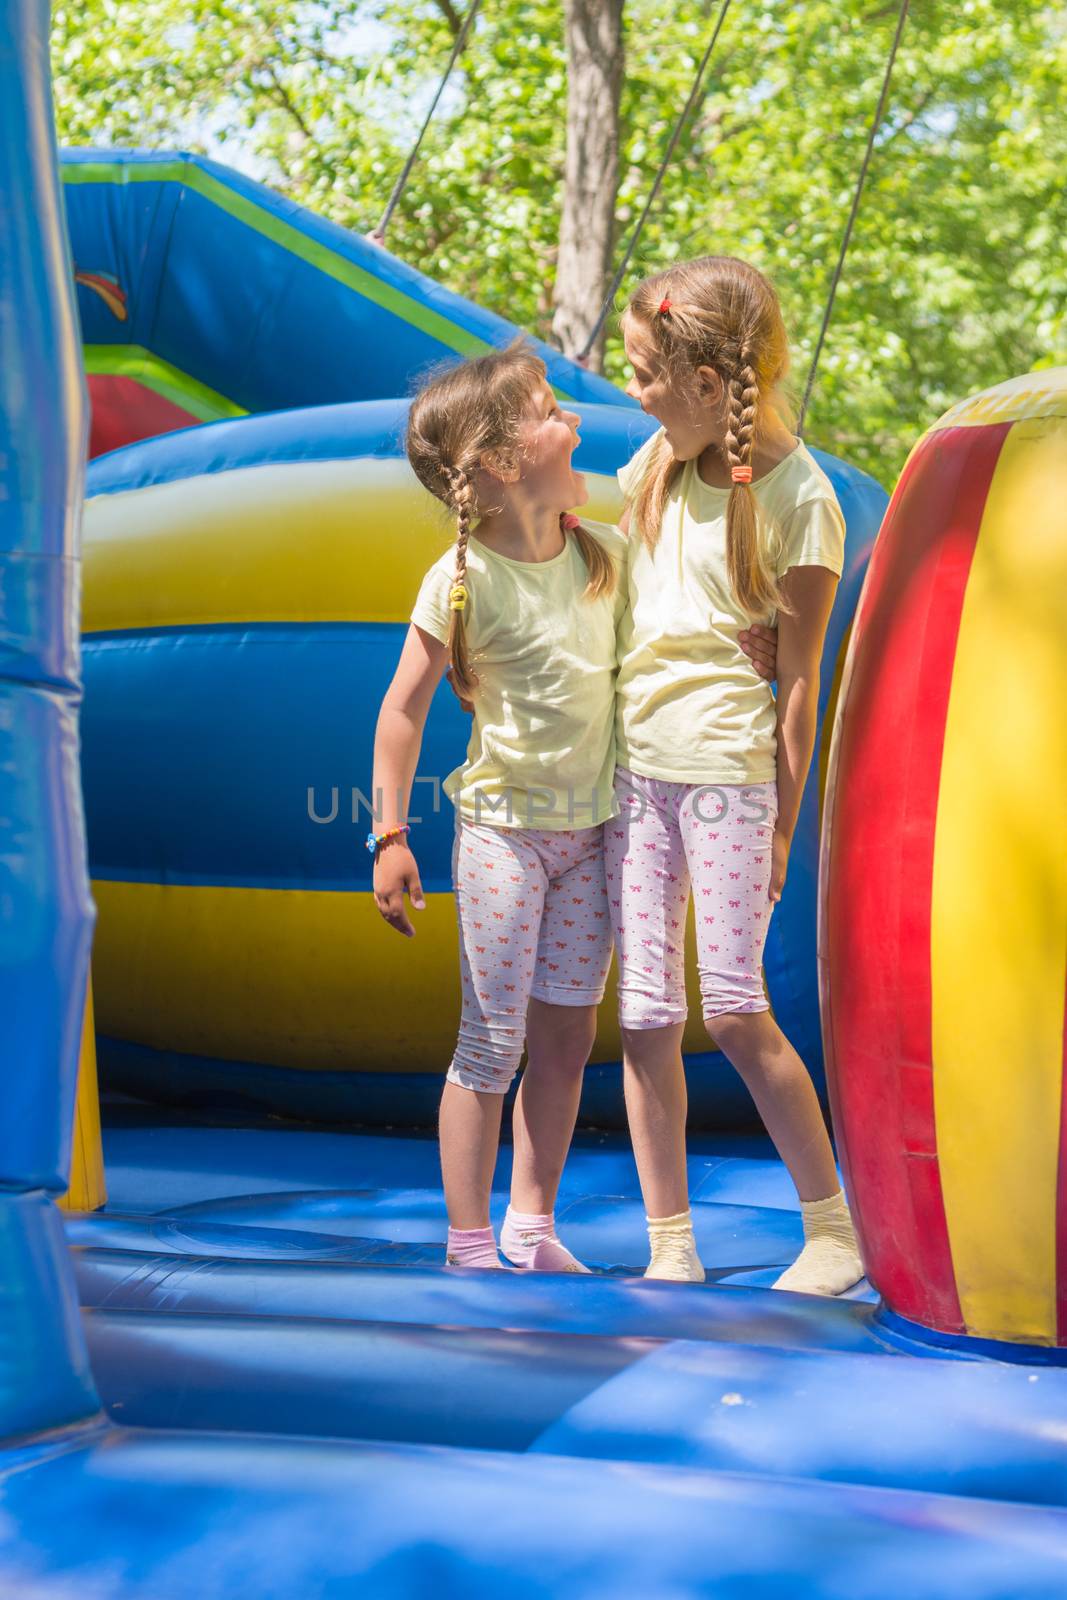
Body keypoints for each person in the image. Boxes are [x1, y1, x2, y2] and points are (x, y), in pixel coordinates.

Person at [606, 255, 864, 1295]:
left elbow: (797, 685)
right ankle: (670, 1241)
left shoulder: (802, 503)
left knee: (733, 1008)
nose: (632, 389)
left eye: (643, 373)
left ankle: (831, 1230)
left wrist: (780, 827)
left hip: (721, 779)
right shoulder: (656, 466)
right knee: (641, 1017)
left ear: (709, 387)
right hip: (637, 775)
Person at [369, 340, 624, 1272]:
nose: (578, 421)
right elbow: (401, 712)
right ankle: (468, 1238)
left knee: (565, 1038)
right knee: (491, 1042)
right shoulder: (460, 583)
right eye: (555, 409)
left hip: (592, 835)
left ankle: (532, 1222)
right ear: (505, 463)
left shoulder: (601, 555)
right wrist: (389, 835)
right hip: (504, 840)